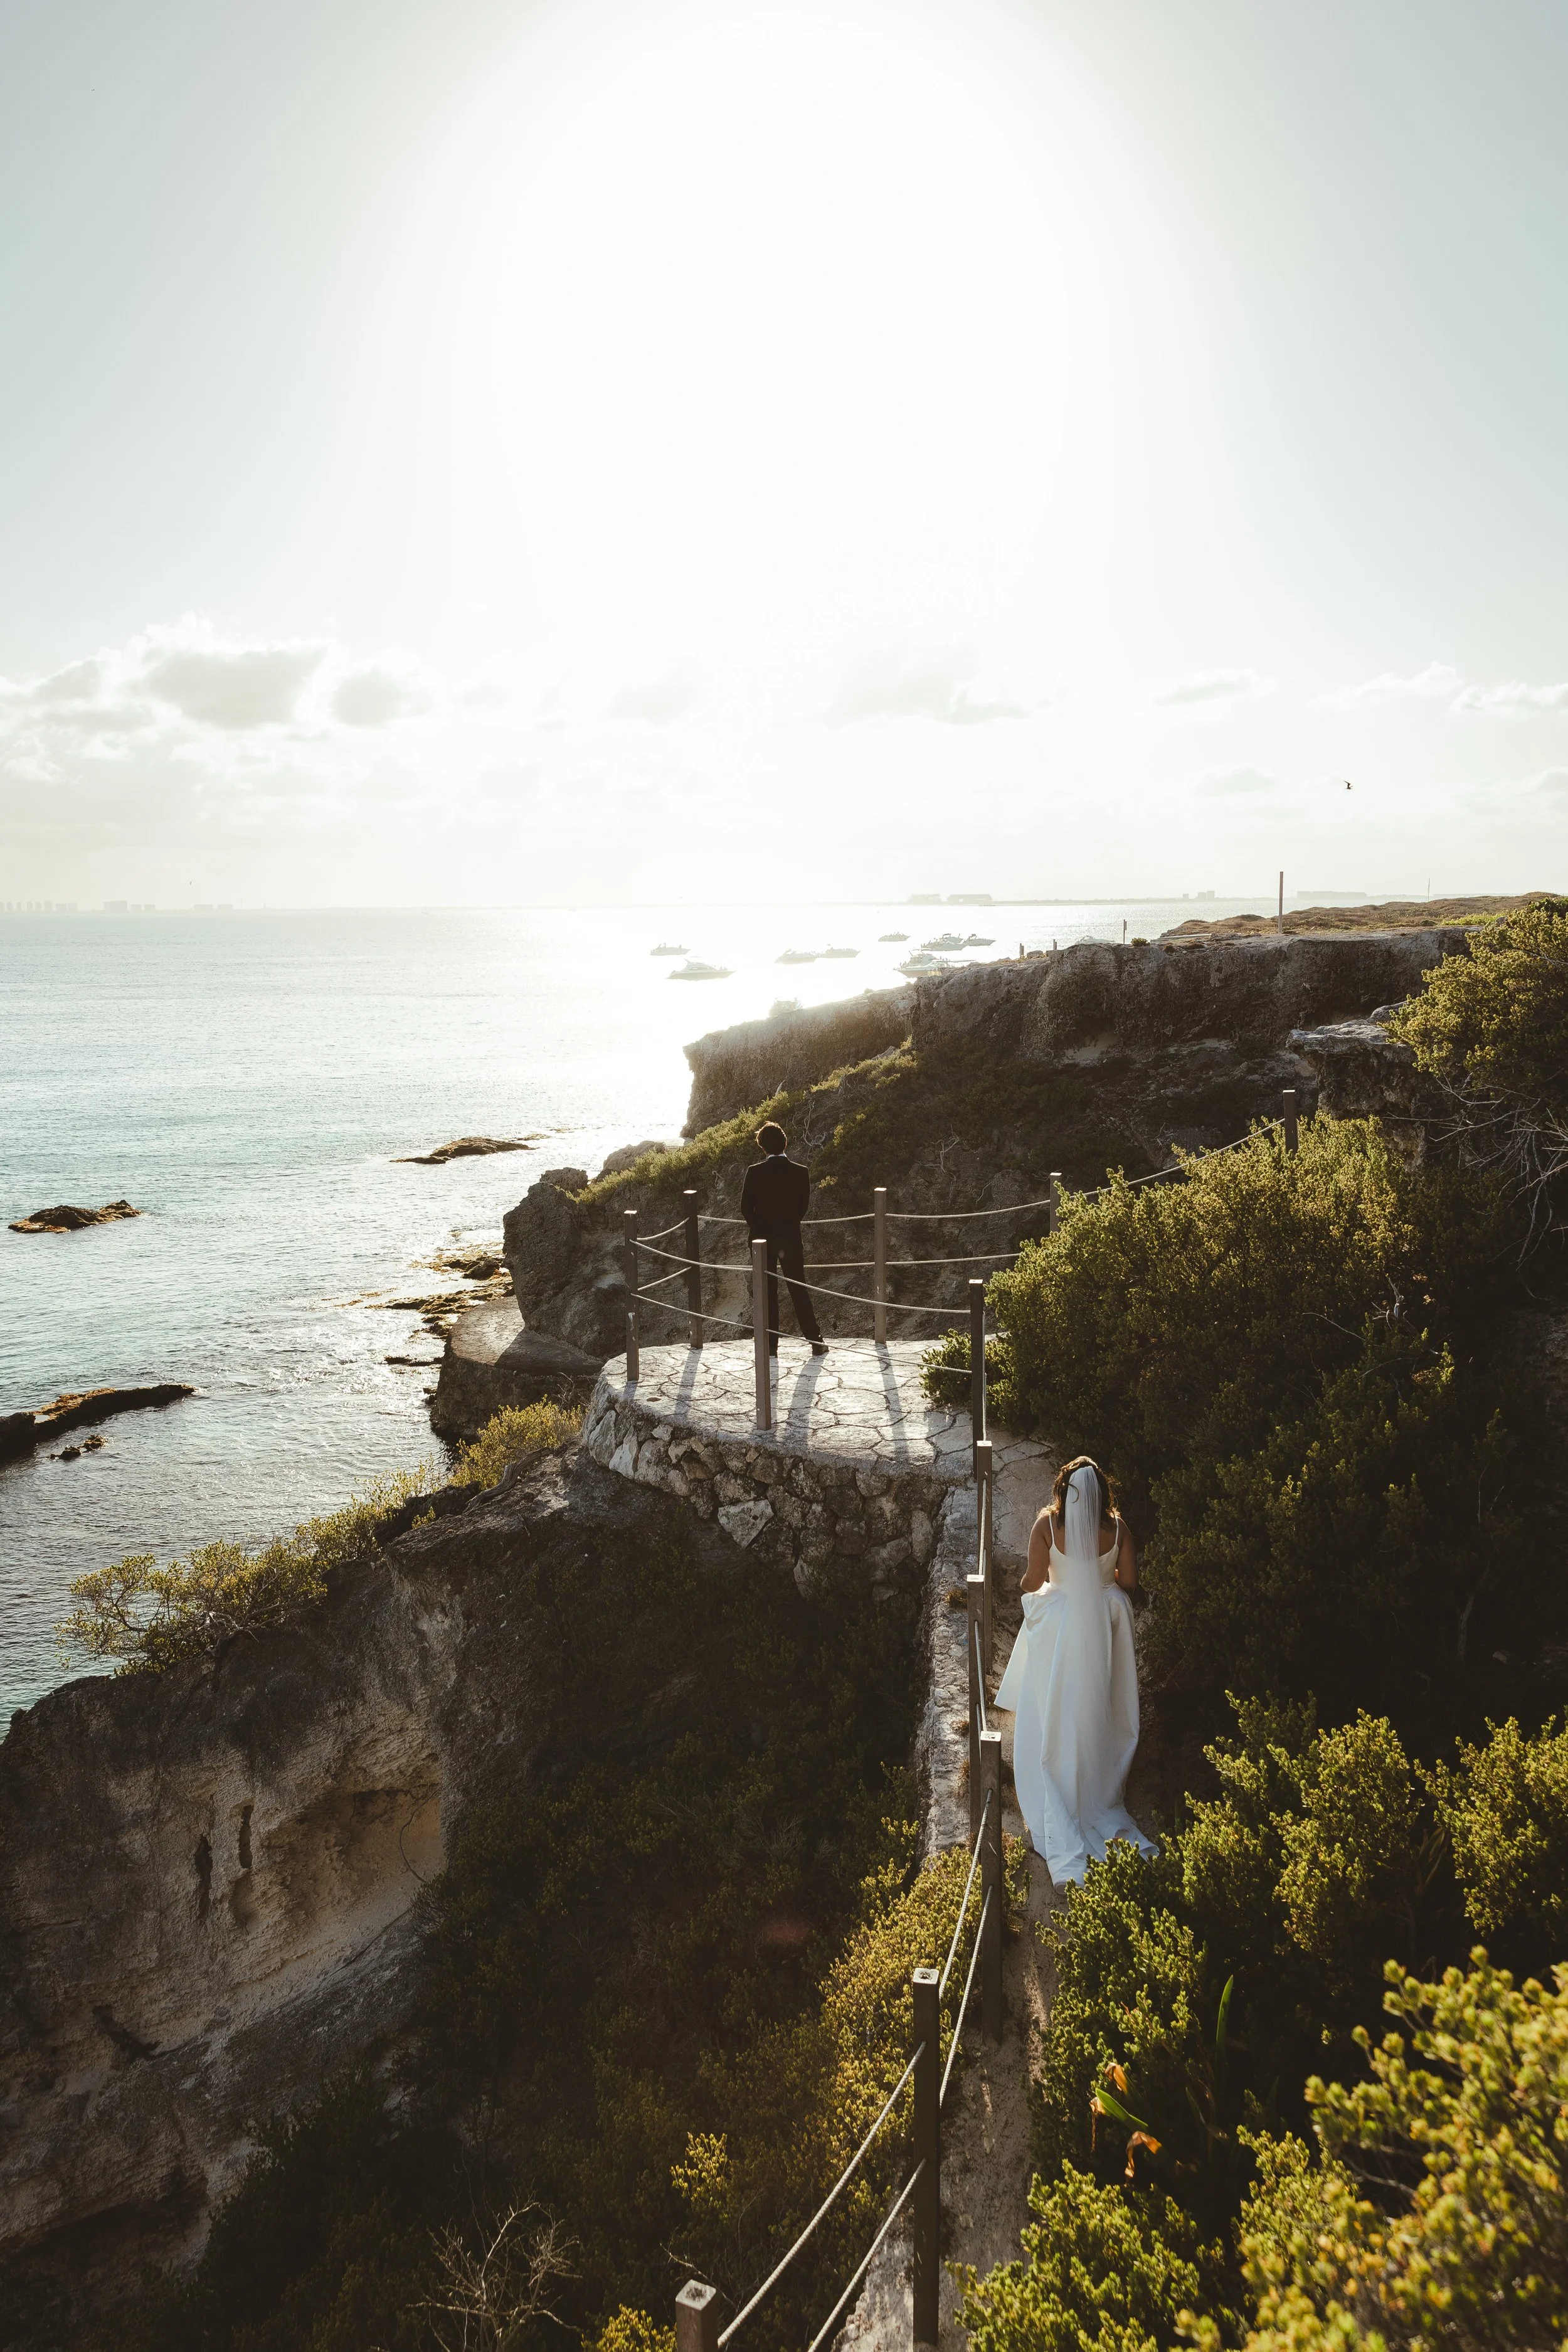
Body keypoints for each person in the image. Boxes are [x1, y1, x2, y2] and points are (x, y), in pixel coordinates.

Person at [993, 1455, 1155, 1887]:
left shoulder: (1047, 1526)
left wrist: (1058, 1583)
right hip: (1104, 1624)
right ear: (1102, 1493)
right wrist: (1099, 1589)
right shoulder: (1119, 1529)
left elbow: (1030, 1581)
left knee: (1057, 1698)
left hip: (1063, 1627)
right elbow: (1129, 1583)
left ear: (1064, 1491)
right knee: (1097, 1696)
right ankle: (1097, 1775)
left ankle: (1057, 1752)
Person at [739, 1122, 830, 1358]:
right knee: (799, 1290)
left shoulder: (754, 1171)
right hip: (790, 1238)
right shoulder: (801, 1172)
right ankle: (816, 1342)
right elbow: (803, 1208)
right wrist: (787, 1224)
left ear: (763, 1147)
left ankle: (771, 1347)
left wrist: (760, 1228)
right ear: (785, 1144)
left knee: (767, 1293)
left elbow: (745, 1208)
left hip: (762, 1242)